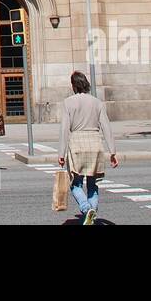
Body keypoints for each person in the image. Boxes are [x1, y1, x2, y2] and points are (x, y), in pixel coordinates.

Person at [57, 70, 118, 225]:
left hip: (77, 144)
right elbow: (106, 127)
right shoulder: (97, 103)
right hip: (95, 144)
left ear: (73, 85)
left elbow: (64, 130)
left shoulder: (68, 102)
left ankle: (86, 208)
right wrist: (112, 152)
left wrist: (61, 153)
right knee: (92, 183)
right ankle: (92, 213)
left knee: (76, 184)